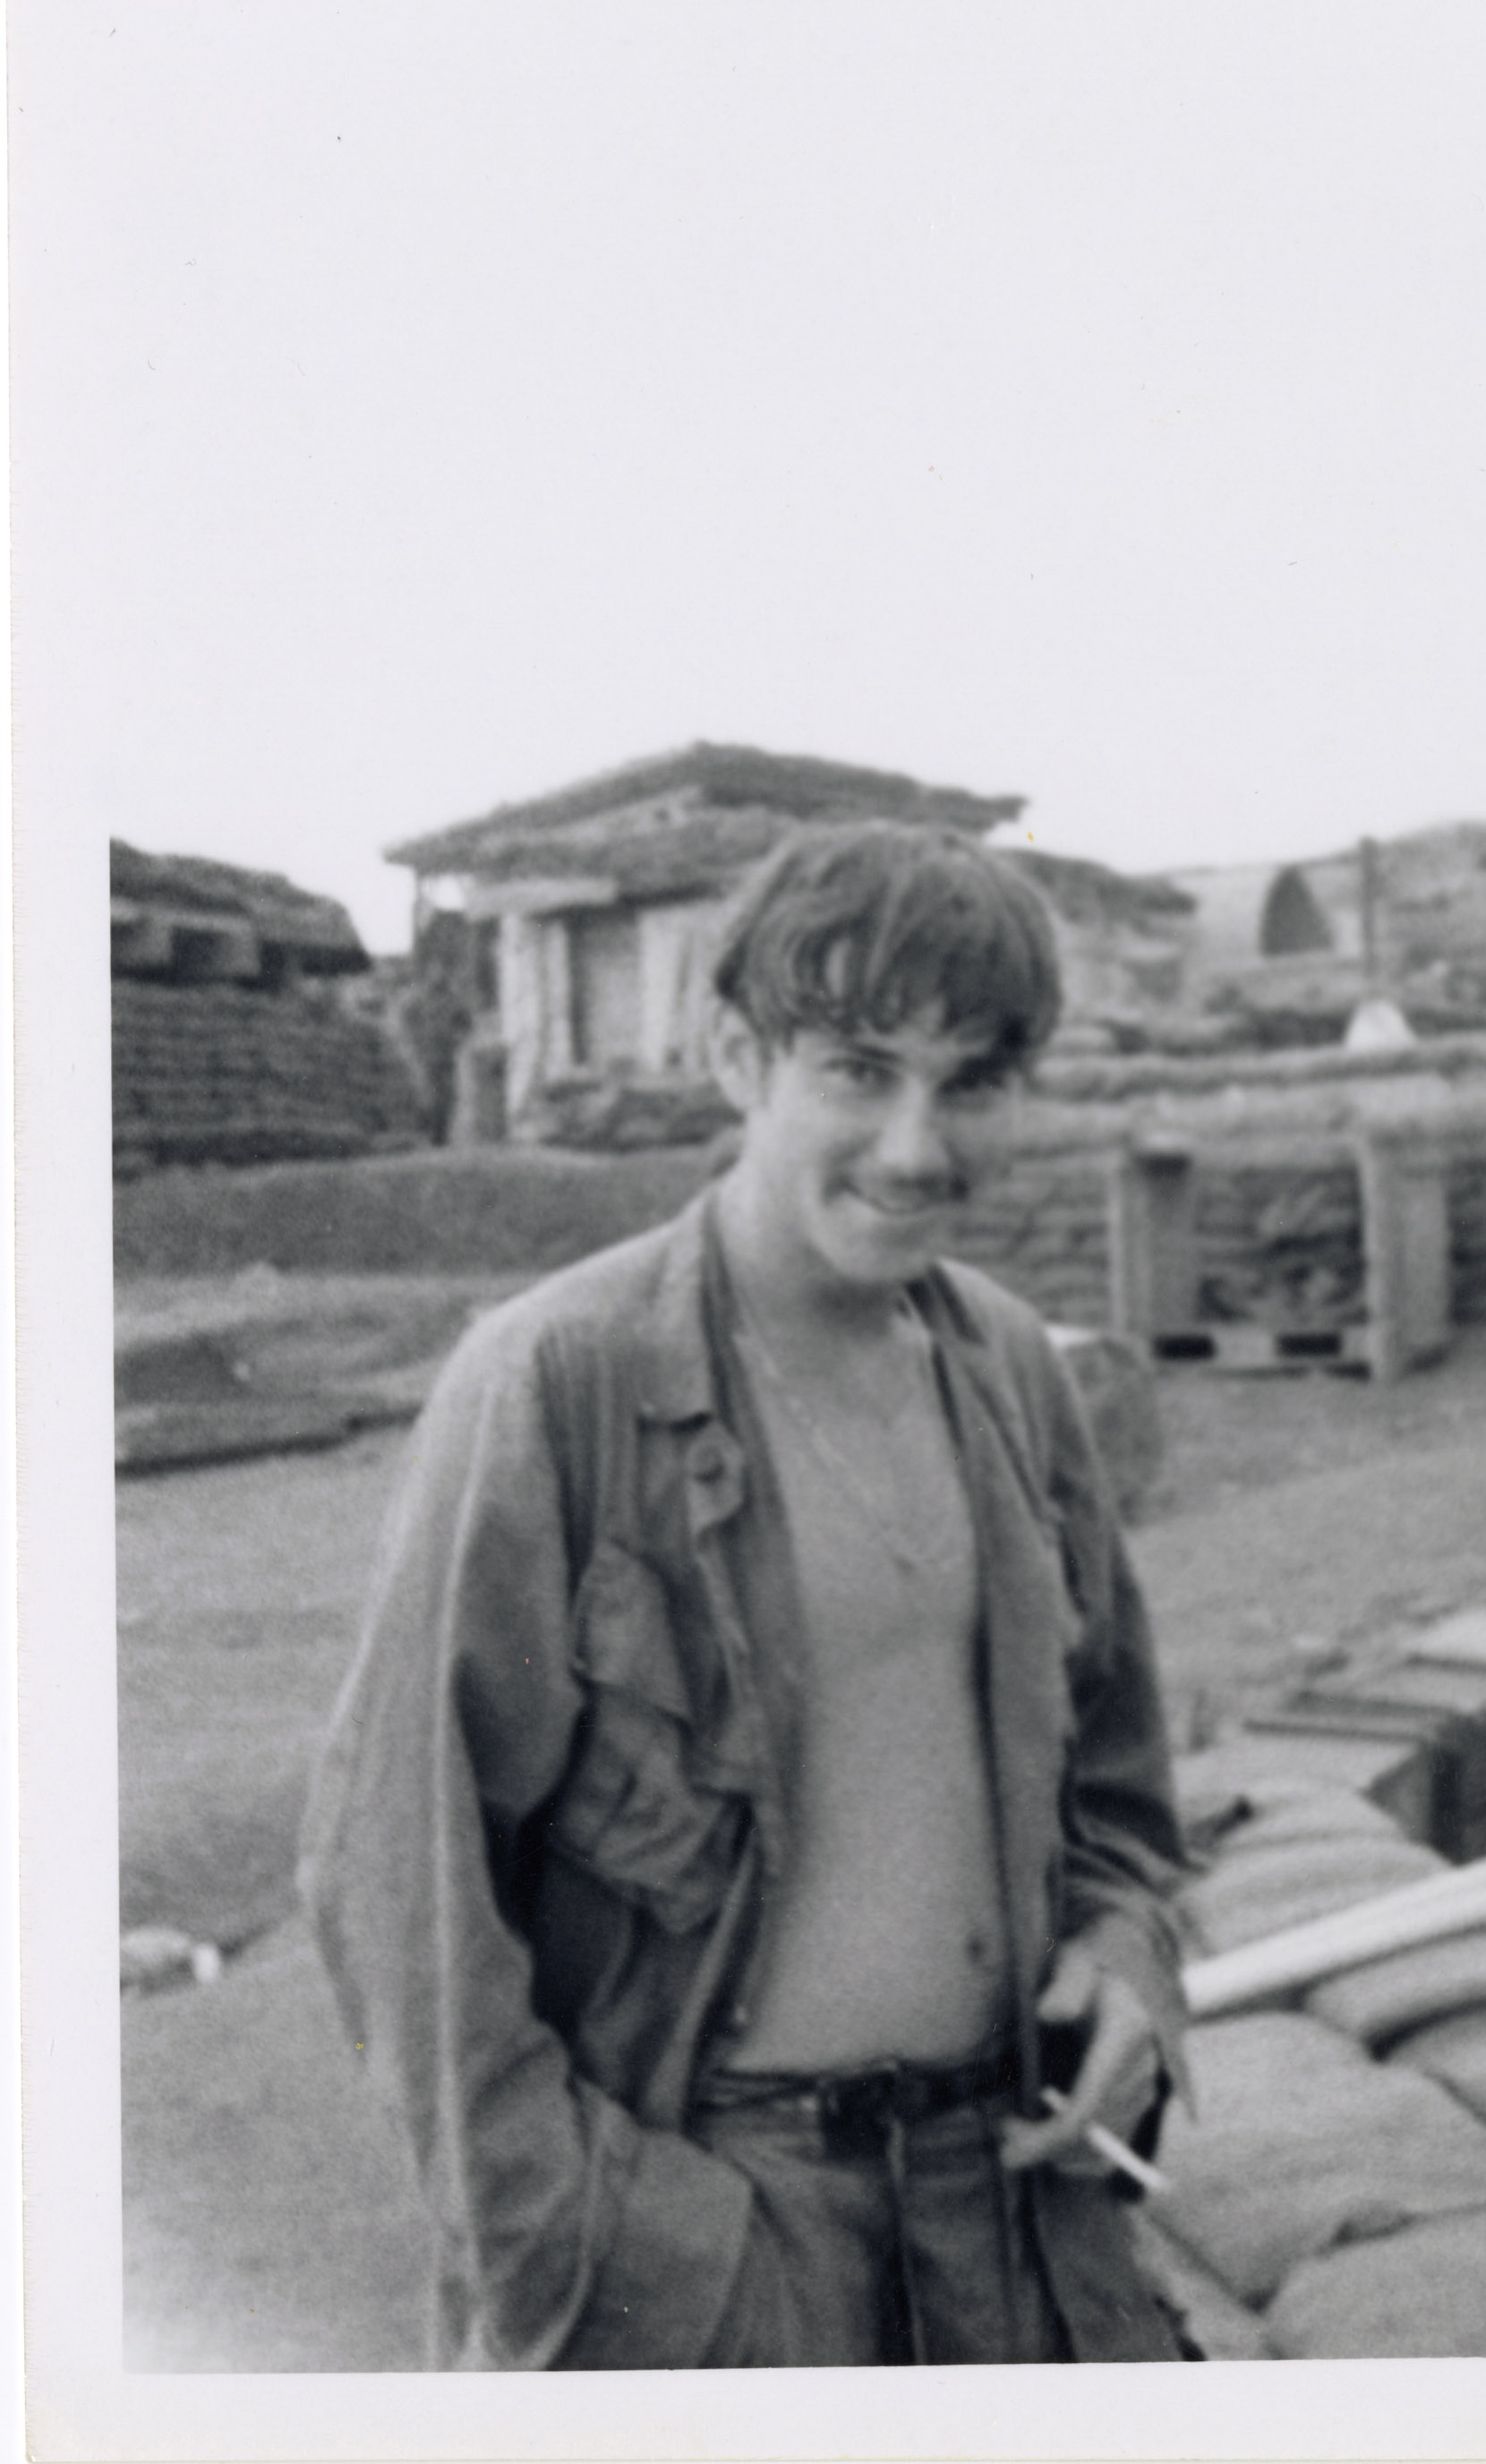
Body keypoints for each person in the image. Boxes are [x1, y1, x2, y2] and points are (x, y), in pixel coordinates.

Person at [301, 820, 1191, 2370]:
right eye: (857, 1069)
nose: (917, 1146)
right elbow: (396, 1873)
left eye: (970, 1082)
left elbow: (1113, 1792)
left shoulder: (1007, 1372)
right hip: (715, 2234)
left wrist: (1124, 1956)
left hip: (1008, 2214)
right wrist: (580, 2236)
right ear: (735, 1057)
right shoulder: (558, 1383)